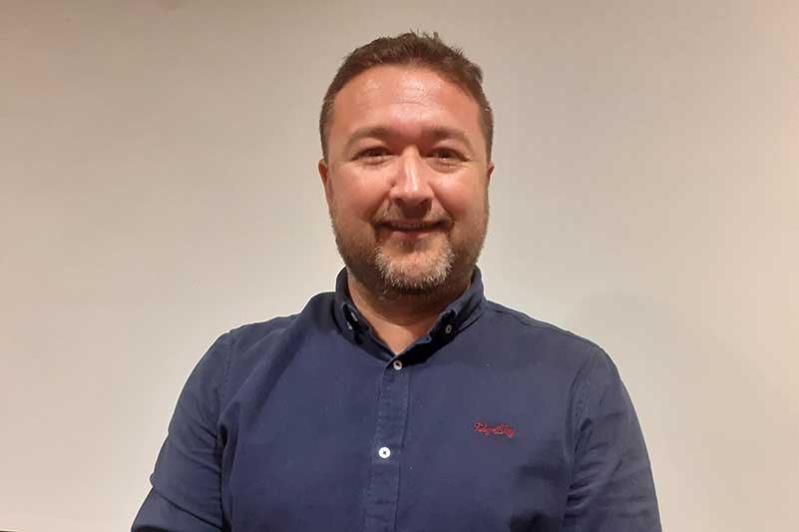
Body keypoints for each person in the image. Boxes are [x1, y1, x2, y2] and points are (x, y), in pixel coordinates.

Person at [132, 32, 661, 532]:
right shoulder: (231, 377)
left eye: (444, 154)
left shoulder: (578, 388)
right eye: (375, 152)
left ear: (485, 180)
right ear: (328, 183)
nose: (411, 188)